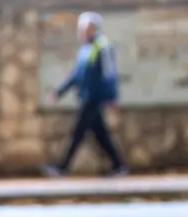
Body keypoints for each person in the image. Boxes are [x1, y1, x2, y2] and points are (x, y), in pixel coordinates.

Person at [43, 12, 128, 176]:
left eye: (85, 28)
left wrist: (113, 96)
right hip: (86, 96)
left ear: (93, 28)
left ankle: (62, 167)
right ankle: (119, 165)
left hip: (94, 98)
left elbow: (109, 73)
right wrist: (58, 92)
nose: (82, 31)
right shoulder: (85, 49)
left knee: (78, 132)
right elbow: (76, 75)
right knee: (101, 135)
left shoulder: (102, 46)